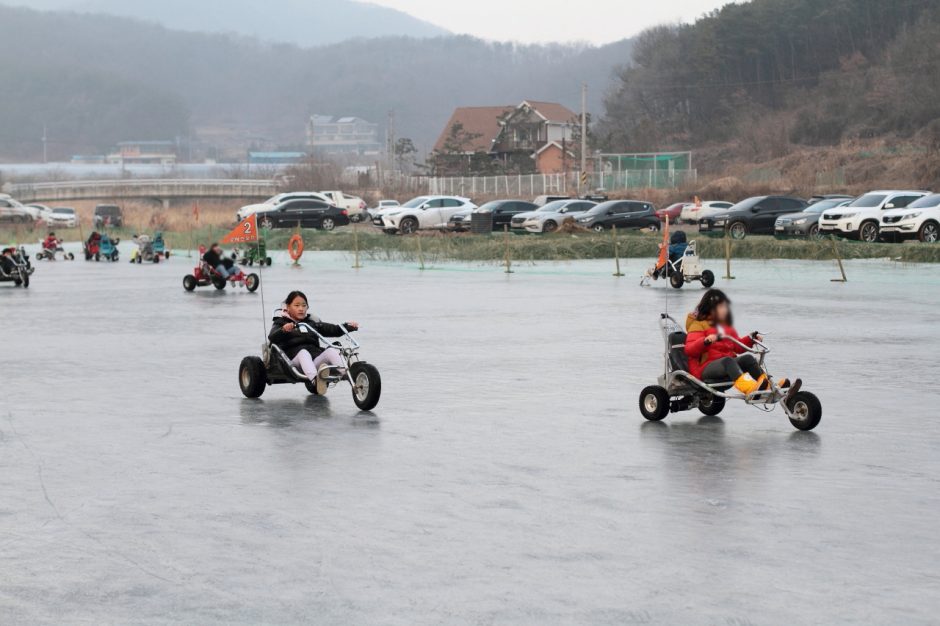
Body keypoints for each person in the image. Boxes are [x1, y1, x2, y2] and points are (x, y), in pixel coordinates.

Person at [685, 289, 798, 397]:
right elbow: (689, 349)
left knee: (748, 359)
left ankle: (768, 386)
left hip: (726, 364)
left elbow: (737, 346)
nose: (725, 309)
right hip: (705, 367)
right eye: (721, 306)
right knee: (728, 361)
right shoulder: (698, 325)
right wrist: (705, 341)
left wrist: (750, 339)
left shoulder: (725, 327)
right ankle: (750, 389)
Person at [268, 290, 359, 394]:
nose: (301, 309)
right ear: (288, 307)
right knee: (303, 353)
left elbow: (333, 329)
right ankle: (316, 381)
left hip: (313, 362)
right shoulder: (281, 322)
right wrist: (283, 330)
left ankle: (351, 376)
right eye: (296, 305)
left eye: (304, 305)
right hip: (292, 363)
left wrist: (348, 326)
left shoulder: (312, 323)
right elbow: (272, 337)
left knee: (331, 351)